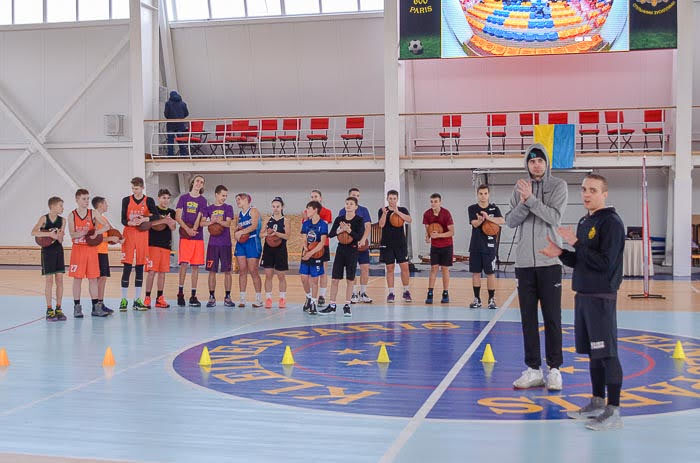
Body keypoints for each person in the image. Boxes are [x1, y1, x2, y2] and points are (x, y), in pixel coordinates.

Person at [539, 174, 625, 431]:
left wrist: (576, 243)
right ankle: (598, 402)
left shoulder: (611, 223)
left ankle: (614, 410)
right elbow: (582, 260)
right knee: (594, 354)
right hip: (583, 295)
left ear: (604, 193)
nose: (587, 194)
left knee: (607, 354)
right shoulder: (585, 220)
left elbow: (603, 263)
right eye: (584, 189)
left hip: (601, 297)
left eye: (593, 190)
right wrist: (563, 253)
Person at [505, 143, 568, 391]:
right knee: (527, 319)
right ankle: (533, 369)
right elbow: (510, 221)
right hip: (524, 264)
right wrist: (524, 202)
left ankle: (554, 369)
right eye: (532, 161)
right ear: (527, 164)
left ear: (546, 162)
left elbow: (554, 217)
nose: (536, 165)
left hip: (549, 262)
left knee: (553, 318)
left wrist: (530, 199)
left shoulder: (558, 186)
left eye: (540, 160)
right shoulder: (519, 187)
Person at [320, 197, 365, 317]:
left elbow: (359, 236)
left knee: (350, 279)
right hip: (341, 250)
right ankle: (332, 305)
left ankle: (347, 305)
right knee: (335, 279)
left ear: (356, 207)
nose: (348, 205)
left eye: (351, 204)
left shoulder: (359, 220)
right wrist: (340, 230)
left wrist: (349, 230)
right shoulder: (339, 219)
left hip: (352, 250)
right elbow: (331, 234)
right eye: (347, 203)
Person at [67, 189, 108, 318]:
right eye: (84, 199)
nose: (86, 201)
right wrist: (85, 232)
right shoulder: (72, 215)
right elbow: (72, 233)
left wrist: (96, 232)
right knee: (77, 279)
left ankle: (95, 307)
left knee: (93, 279)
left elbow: (106, 226)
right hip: (78, 249)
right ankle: (77, 307)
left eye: (87, 199)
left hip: (91, 249)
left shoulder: (93, 213)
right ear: (77, 200)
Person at [119, 177, 158, 311]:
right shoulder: (126, 200)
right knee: (127, 266)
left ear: (142, 188)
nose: (134, 191)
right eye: (133, 189)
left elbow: (156, 216)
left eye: (136, 188)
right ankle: (123, 300)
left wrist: (144, 219)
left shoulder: (149, 200)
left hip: (142, 234)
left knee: (140, 266)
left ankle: (137, 300)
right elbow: (123, 219)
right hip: (129, 233)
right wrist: (131, 222)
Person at [468, 185, 504, 310]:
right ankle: (477, 299)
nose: (483, 196)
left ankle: (491, 299)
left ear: (488, 194)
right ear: (477, 195)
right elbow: (474, 223)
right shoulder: (472, 208)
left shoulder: (494, 208)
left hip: (489, 247)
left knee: (490, 273)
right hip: (476, 246)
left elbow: (502, 221)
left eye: (485, 193)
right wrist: (481, 220)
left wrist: (488, 218)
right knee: (476, 273)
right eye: (481, 193)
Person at [31, 196, 67, 321]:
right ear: (53, 206)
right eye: (60, 205)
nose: (62, 208)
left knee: (60, 280)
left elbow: (61, 239)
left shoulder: (63, 220)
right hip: (47, 251)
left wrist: (58, 236)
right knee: (49, 281)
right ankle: (49, 309)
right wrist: (49, 234)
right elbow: (34, 232)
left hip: (58, 250)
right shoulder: (44, 219)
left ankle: (59, 308)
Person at [176, 175, 208, 307]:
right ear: (192, 183)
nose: (199, 183)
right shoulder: (183, 198)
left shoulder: (203, 200)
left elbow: (201, 216)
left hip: (197, 236)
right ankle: (180, 293)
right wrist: (187, 230)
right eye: (197, 181)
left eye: (202, 182)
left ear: (202, 185)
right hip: (185, 236)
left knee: (195, 267)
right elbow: (178, 216)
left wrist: (194, 229)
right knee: (183, 264)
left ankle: (193, 295)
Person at [378, 189, 413, 303]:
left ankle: (406, 291)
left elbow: (409, 220)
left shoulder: (402, 210)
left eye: (394, 198)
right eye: (390, 198)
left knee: (405, 267)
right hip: (387, 243)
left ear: (397, 199)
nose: (392, 200)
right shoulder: (383, 210)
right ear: (387, 199)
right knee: (390, 268)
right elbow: (381, 225)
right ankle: (391, 293)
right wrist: (384, 214)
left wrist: (398, 213)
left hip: (400, 243)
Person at [144, 189, 177, 309]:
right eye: (164, 198)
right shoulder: (153, 210)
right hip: (153, 244)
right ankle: (147, 297)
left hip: (166, 245)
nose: (166, 200)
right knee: (151, 272)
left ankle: (159, 298)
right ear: (159, 198)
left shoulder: (171, 212)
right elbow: (148, 225)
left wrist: (169, 221)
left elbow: (173, 227)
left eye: (168, 198)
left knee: (162, 273)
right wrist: (163, 220)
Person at [341, 188, 372, 304]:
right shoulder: (342, 211)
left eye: (358, 195)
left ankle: (363, 292)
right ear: (349, 196)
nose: (356, 197)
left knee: (365, 268)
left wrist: (363, 239)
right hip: (349, 244)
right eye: (354, 195)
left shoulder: (364, 210)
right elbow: (342, 228)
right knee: (351, 269)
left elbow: (368, 226)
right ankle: (353, 293)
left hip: (362, 244)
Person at [205, 185, 234, 308]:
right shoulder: (209, 208)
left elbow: (228, 223)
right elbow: (202, 222)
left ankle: (227, 297)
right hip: (213, 245)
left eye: (226, 196)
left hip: (226, 244)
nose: (224, 198)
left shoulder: (228, 207)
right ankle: (211, 297)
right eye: (223, 195)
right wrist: (211, 222)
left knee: (227, 271)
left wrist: (217, 221)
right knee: (212, 271)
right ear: (216, 194)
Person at [422, 193, 455, 304]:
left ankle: (445, 293)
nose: (433, 203)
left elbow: (452, 232)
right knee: (434, 268)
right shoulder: (427, 214)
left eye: (435, 201)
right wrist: (427, 237)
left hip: (447, 245)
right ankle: (430, 293)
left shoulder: (446, 213)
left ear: (440, 202)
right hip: (435, 246)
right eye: (431, 201)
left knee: (445, 269)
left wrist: (438, 235)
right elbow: (428, 230)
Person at [234, 193, 263, 308]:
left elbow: (254, 226)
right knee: (242, 270)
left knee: (253, 270)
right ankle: (242, 298)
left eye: (239, 199)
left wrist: (242, 232)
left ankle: (259, 299)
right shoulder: (239, 214)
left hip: (252, 241)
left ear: (246, 199)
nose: (237, 201)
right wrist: (236, 233)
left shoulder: (253, 210)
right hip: (241, 244)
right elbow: (237, 229)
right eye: (236, 200)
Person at [261, 197, 290, 309]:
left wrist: (276, 233)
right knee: (268, 275)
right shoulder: (267, 220)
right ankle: (268, 299)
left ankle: (282, 298)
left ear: (282, 207)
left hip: (280, 249)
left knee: (281, 275)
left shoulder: (286, 221)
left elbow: (287, 236)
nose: (275, 209)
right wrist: (268, 234)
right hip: (268, 249)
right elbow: (260, 234)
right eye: (273, 206)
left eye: (278, 206)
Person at [300, 201, 328, 315]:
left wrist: (310, 253)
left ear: (315, 209)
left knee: (315, 280)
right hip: (307, 251)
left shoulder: (323, 224)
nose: (306, 211)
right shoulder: (306, 223)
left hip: (317, 253)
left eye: (308, 209)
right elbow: (303, 237)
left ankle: (313, 303)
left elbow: (321, 243)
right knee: (303, 278)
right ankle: (308, 296)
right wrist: (305, 247)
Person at [92, 196, 119, 314]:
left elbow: (112, 232)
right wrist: (110, 238)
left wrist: (119, 238)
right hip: (96, 252)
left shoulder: (104, 219)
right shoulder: (95, 219)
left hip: (103, 252)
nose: (107, 205)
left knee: (103, 278)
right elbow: (95, 237)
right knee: (98, 279)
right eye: (106, 203)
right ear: (100, 205)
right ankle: (96, 305)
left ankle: (101, 304)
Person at [308, 189, 333, 305]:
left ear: (321, 198)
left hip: (323, 245)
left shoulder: (327, 211)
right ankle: (310, 296)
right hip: (310, 245)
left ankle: (322, 295)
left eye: (316, 197)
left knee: (322, 271)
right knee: (310, 273)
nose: (314, 199)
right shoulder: (307, 211)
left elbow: (323, 225)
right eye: (312, 197)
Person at [164, 90, 189, 156]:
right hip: (180, 125)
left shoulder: (168, 103)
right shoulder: (183, 103)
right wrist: (181, 118)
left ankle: (170, 155)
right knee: (181, 140)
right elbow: (186, 113)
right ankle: (183, 154)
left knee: (170, 141)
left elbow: (166, 114)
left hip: (170, 125)